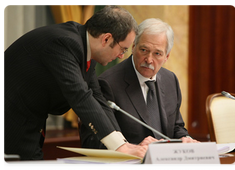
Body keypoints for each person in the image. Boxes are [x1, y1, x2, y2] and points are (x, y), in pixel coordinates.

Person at [2, 6, 148, 160]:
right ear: (106, 38)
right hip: (9, 117)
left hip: (29, 119)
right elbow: (80, 96)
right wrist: (120, 148)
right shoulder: (64, 43)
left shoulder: (85, 49)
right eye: (123, 49)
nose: (120, 56)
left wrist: (122, 143)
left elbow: (98, 99)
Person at [82, 18, 199, 147]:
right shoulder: (108, 83)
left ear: (166, 57)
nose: (149, 60)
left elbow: (176, 127)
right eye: (144, 50)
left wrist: (185, 138)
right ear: (133, 47)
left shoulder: (170, 80)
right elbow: (92, 141)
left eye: (157, 54)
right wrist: (134, 148)